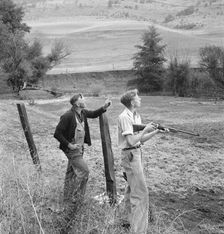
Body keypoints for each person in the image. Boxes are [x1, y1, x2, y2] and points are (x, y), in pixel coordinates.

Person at [118, 89, 167, 234]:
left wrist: (155, 131)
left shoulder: (136, 116)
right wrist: (146, 128)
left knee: (132, 189)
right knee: (140, 194)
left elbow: (141, 140)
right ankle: (138, 230)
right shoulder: (125, 117)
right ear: (132, 102)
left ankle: (127, 221)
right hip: (131, 155)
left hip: (136, 152)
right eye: (137, 97)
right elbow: (131, 140)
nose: (140, 99)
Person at [54, 93, 111, 204]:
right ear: (76, 103)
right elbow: (57, 133)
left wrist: (104, 107)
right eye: (82, 99)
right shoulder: (68, 116)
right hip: (72, 149)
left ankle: (67, 199)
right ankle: (77, 198)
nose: (85, 100)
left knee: (71, 173)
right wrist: (69, 145)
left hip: (79, 149)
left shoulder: (82, 112)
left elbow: (94, 114)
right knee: (84, 171)